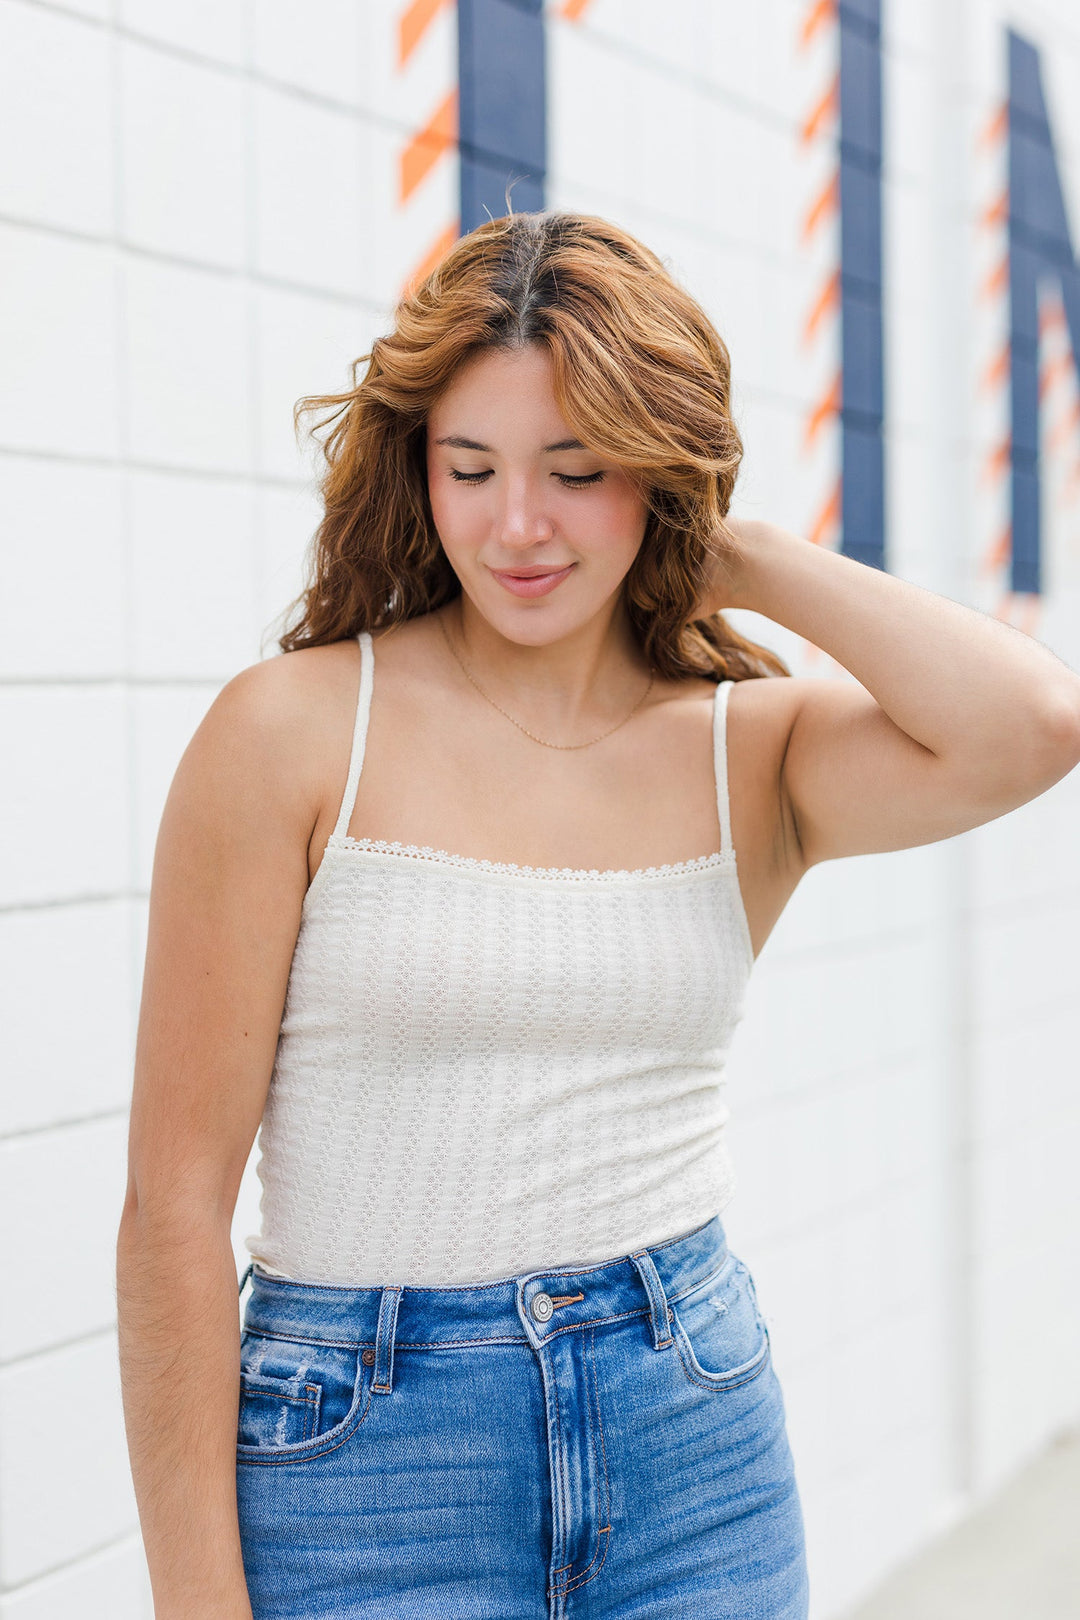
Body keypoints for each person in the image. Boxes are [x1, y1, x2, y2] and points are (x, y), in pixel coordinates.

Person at [116, 210, 1080, 1620]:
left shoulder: (745, 750)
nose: (518, 525)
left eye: (579, 470)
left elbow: (1035, 724)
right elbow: (171, 1216)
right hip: (365, 1463)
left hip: (689, 1425)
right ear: (418, 468)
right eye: (472, 467)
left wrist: (735, 552)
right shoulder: (295, 735)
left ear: (653, 469)